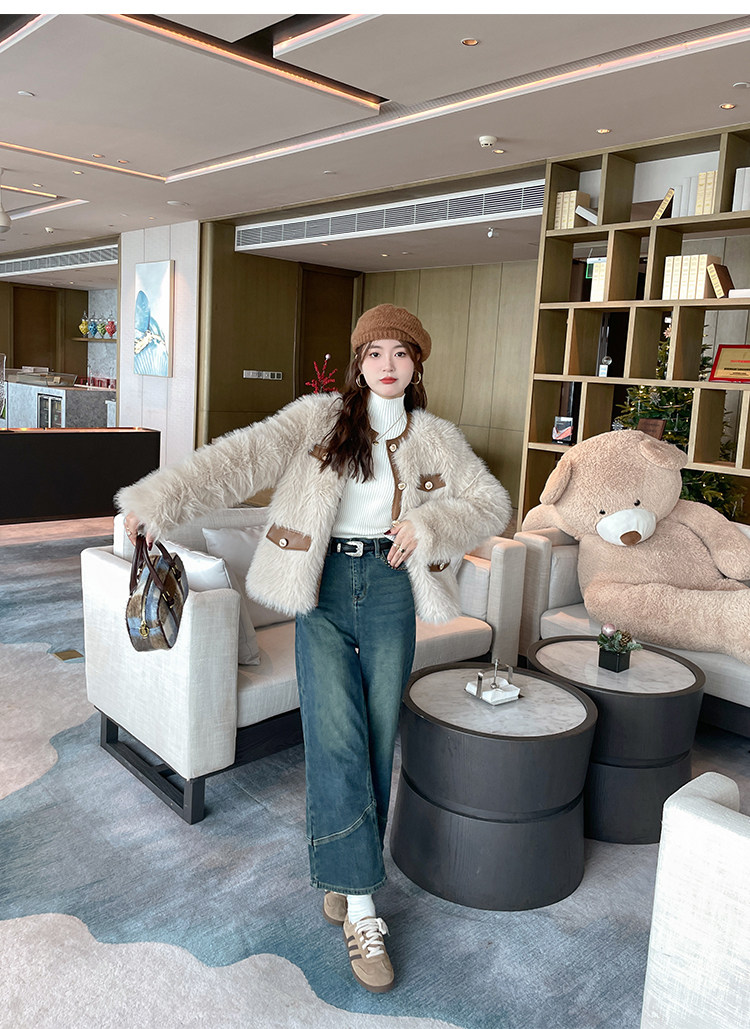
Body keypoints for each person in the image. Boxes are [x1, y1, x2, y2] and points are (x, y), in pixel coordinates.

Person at [119, 304, 511, 993]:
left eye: (400, 353)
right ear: (358, 362)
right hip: (321, 587)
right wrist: (157, 504)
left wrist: (429, 524)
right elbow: (237, 458)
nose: (387, 364)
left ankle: (343, 872)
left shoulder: (437, 437)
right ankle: (362, 906)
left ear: (417, 364)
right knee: (335, 736)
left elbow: (490, 504)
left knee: (378, 737)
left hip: (390, 590)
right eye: (374, 352)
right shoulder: (317, 420)